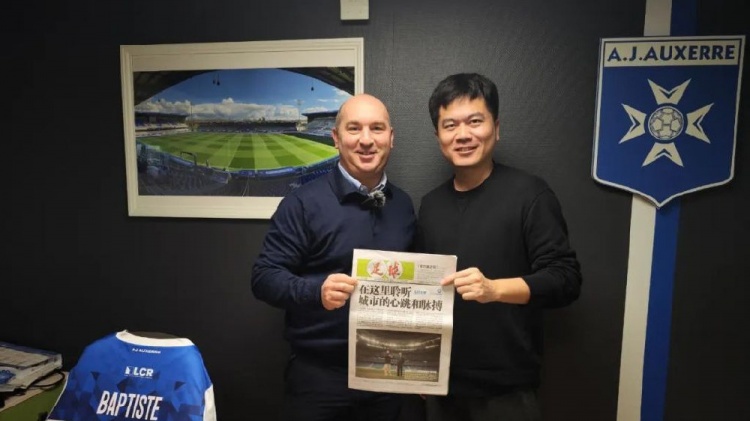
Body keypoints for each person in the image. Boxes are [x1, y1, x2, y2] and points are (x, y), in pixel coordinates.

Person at [415, 73, 582, 421]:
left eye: (475, 121)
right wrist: (419, 364)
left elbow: (565, 280)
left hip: (508, 391)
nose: (463, 135)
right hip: (441, 387)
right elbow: (423, 294)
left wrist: (494, 289)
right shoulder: (430, 205)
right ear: (438, 136)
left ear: (496, 127)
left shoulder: (530, 194)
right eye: (450, 125)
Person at [251, 93, 416, 421]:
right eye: (354, 129)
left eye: (377, 128)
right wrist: (317, 291)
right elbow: (263, 277)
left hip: (388, 373)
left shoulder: (403, 205)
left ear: (391, 138)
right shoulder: (302, 204)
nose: (366, 140)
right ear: (336, 138)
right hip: (320, 378)